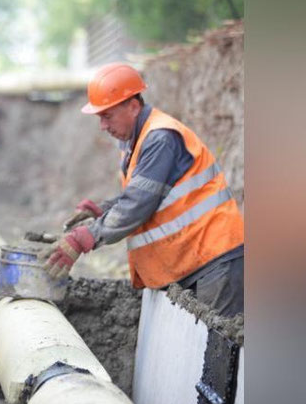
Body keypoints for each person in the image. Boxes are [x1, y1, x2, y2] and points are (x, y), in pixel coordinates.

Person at [42, 62, 244, 316]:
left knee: (219, 350)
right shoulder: (140, 139)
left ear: (133, 106)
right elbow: (149, 196)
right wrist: (103, 209)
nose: (102, 126)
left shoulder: (160, 138)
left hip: (215, 257)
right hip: (199, 258)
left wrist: (84, 238)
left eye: (107, 115)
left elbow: (137, 205)